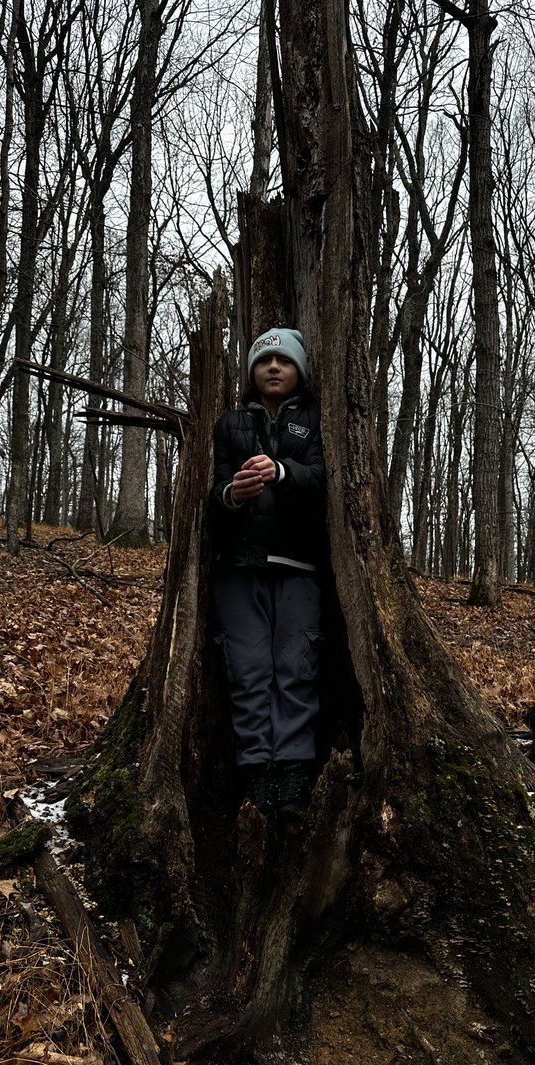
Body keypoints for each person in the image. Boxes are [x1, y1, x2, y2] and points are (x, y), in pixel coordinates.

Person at [209, 327, 326, 822]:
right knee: (249, 670)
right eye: (264, 360)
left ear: (299, 370)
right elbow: (213, 494)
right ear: (251, 373)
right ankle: (258, 772)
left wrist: (280, 472)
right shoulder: (231, 424)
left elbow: (321, 479)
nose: (273, 367)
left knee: (296, 670)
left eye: (284, 359)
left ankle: (294, 775)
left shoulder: (318, 420)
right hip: (239, 569)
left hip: (299, 567)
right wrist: (233, 495)